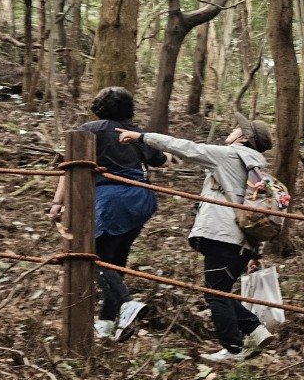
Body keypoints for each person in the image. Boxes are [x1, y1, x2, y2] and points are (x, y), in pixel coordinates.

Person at [118, 114, 275, 364]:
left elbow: (187, 148)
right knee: (221, 291)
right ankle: (255, 331)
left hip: (222, 235)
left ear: (244, 138)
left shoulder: (230, 155)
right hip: (243, 241)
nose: (232, 131)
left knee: (214, 294)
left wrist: (142, 137)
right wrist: (256, 252)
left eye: (237, 129)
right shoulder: (258, 168)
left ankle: (234, 349)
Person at [50, 87, 166, 341]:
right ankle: (106, 323)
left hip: (112, 201)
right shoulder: (137, 133)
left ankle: (126, 304)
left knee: (93, 257)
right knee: (114, 260)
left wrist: (58, 202)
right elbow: (160, 160)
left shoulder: (89, 130)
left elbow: (70, 168)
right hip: (141, 199)